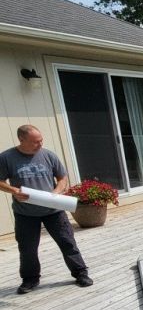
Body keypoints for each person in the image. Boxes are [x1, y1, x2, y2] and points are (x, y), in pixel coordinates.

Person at [0, 125, 93, 294]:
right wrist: (14, 191)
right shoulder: (6, 158)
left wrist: (56, 192)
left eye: (41, 140)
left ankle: (80, 273)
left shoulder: (48, 155)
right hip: (25, 213)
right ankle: (30, 279)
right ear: (21, 140)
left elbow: (62, 177)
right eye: (35, 142)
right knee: (27, 248)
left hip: (53, 211)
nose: (40, 144)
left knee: (67, 242)